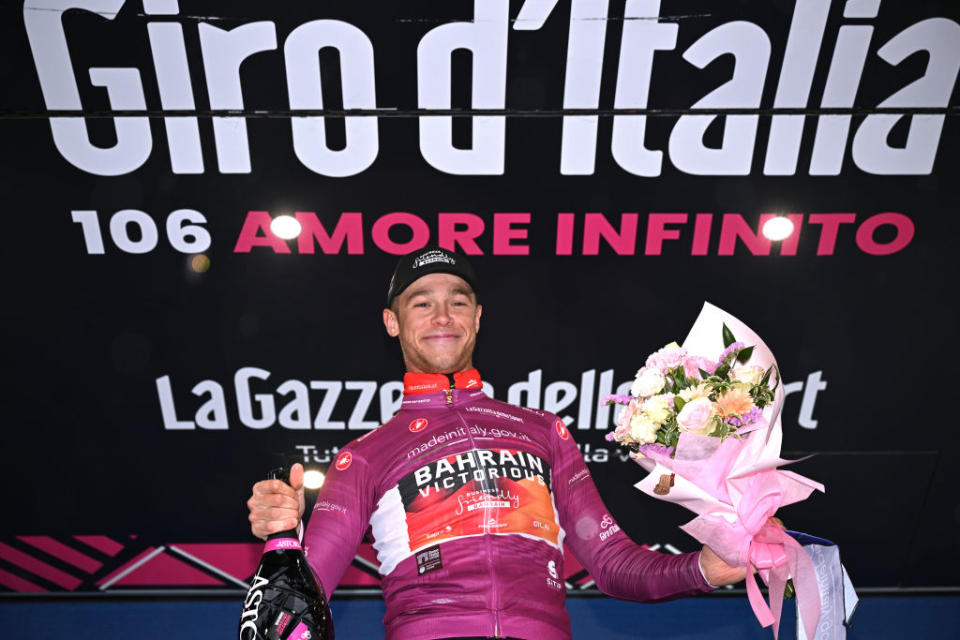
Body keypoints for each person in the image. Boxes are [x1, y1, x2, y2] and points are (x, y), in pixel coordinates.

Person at [247, 247, 749, 640]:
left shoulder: (544, 432)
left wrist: (703, 567)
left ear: (478, 316)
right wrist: (281, 538)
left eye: (457, 301)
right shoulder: (364, 457)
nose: (442, 316)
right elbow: (294, 609)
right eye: (422, 303)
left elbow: (615, 564)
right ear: (392, 322)